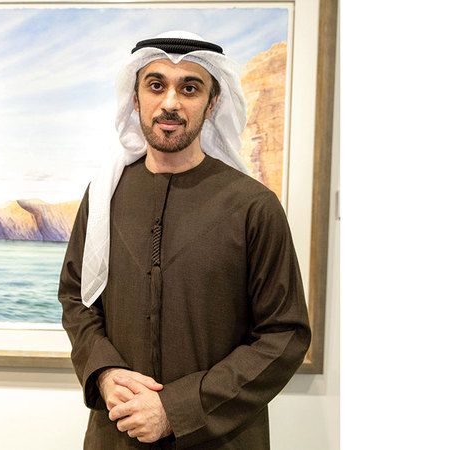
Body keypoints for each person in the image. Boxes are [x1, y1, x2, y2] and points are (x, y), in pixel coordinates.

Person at [58, 30, 312, 449]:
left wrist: (176, 409)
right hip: (117, 434)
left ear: (212, 103)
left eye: (190, 88)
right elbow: (76, 297)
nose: (171, 103)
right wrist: (103, 372)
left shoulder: (253, 205)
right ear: (136, 98)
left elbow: (284, 335)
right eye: (156, 85)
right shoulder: (104, 196)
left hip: (221, 439)